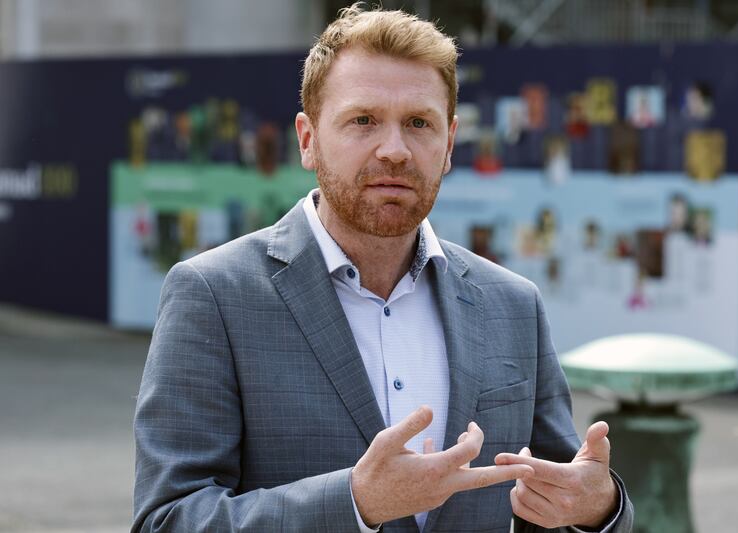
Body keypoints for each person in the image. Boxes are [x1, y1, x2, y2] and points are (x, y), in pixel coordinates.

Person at [132, 4, 633, 532]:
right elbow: (169, 519)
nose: (394, 150)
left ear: (448, 145)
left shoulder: (512, 303)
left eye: (419, 123)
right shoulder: (214, 294)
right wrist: (355, 503)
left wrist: (596, 511)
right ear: (307, 139)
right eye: (363, 120)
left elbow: (550, 498)